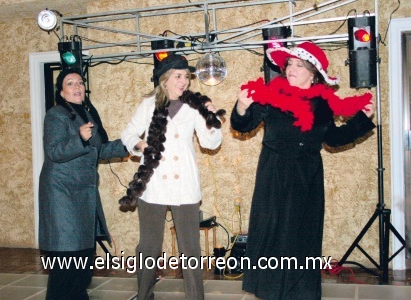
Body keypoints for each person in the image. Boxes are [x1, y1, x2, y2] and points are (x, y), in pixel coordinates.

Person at [230, 41, 376, 299]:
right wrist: (242, 106)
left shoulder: (323, 105)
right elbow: (243, 125)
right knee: (272, 235)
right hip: (274, 175)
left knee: (302, 238)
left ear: (313, 74)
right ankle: (271, 291)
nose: (291, 69)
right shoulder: (271, 97)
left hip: (307, 177)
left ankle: (301, 294)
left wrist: (362, 120)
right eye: (289, 64)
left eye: (299, 65)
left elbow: (333, 139)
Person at [120, 54, 224, 300]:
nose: (184, 81)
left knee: (190, 248)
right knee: (149, 247)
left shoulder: (195, 105)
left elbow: (210, 143)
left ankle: (195, 297)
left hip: (185, 186)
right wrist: (140, 145)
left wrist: (212, 118)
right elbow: (128, 135)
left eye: (186, 76)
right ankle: (144, 295)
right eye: (178, 76)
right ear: (165, 80)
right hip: (153, 184)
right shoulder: (148, 104)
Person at [38, 68, 129, 300]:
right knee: (66, 261)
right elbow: (54, 151)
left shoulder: (86, 115)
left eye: (80, 82)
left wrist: (130, 145)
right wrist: (78, 137)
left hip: (83, 194)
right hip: (62, 194)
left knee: (84, 261)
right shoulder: (56, 115)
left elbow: (98, 150)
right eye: (70, 83)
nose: (77, 87)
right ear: (61, 92)